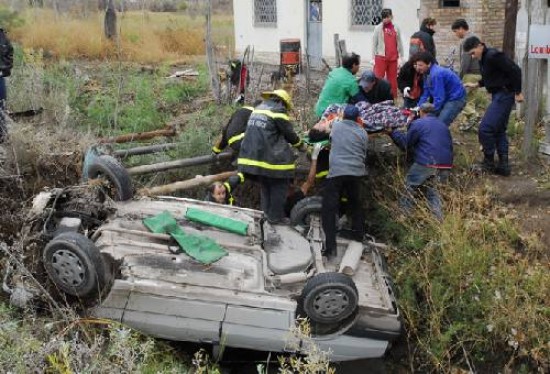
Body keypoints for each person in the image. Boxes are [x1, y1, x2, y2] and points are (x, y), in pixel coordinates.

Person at [238, 89, 305, 224]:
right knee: (279, 188)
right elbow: (289, 134)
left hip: (252, 159)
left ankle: (266, 217)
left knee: (265, 187)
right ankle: (276, 219)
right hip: (271, 161)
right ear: (282, 102)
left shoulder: (258, 109)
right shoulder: (278, 111)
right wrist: (301, 146)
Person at [463, 36, 523, 176]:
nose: (472, 56)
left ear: (479, 46)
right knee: (499, 130)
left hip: (504, 95)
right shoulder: (484, 59)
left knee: (485, 129)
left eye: (472, 52)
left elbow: (515, 70)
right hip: (499, 95)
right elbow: (493, 76)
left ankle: (488, 163)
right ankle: (504, 166)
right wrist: (476, 84)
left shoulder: (493, 55)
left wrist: (518, 92)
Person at [387, 103, 453, 221]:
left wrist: (393, 132)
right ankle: (438, 222)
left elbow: (406, 144)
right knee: (434, 193)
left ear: (421, 112)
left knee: (409, 188)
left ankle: (404, 217)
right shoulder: (443, 125)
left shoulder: (418, 124)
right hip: (446, 164)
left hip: (426, 162)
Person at [321, 105, 368, 259]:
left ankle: (330, 247)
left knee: (329, 208)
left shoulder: (337, 125)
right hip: (356, 173)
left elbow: (325, 129)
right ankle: (358, 234)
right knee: (355, 204)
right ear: (357, 118)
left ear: (344, 115)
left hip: (337, 172)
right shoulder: (363, 132)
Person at [414, 51, 466, 127]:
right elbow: (426, 92)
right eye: (417, 65)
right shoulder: (425, 73)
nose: (418, 68)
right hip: (446, 96)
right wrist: (418, 107)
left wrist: (431, 112)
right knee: (430, 119)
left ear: (429, 64)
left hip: (456, 99)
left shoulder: (436, 74)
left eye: (420, 65)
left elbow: (439, 98)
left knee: (440, 124)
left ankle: (439, 135)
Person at [451, 19, 484, 129]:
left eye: (455, 31)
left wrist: (459, 78)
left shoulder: (467, 42)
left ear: (461, 29)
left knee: (462, 99)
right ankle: (468, 123)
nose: (455, 34)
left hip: (470, 74)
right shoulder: (475, 38)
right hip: (478, 74)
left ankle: (475, 116)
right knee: (471, 100)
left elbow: (465, 63)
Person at [315, 52, 361, 117]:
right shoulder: (351, 81)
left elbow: (343, 82)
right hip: (329, 114)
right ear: (353, 65)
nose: (359, 67)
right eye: (358, 64)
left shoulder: (335, 71)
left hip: (319, 109)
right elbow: (360, 99)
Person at [372, 8, 404, 99]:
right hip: (381, 57)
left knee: (393, 80)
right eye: (384, 17)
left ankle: (393, 99)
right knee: (378, 78)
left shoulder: (396, 27)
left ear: (391, 16)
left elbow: (399, 42)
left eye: (388, 17)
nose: (386, 19)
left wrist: (401, 56)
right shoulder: (378, 28)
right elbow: (374, 43)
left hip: (393, 58)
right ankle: (377, 98)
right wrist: (373, 58)